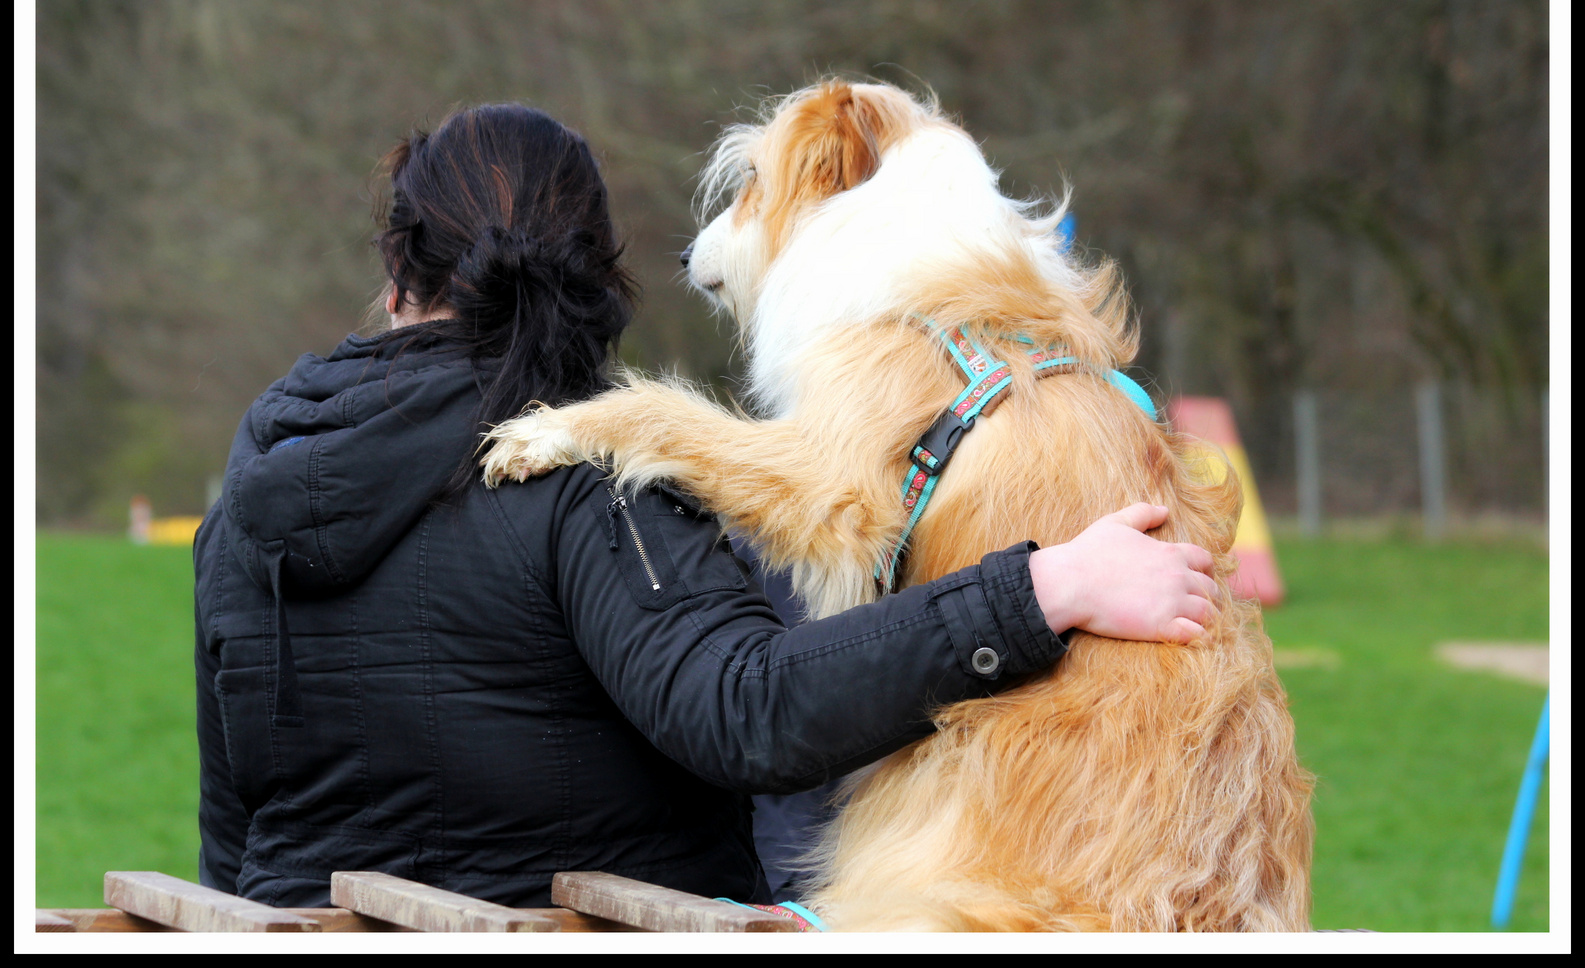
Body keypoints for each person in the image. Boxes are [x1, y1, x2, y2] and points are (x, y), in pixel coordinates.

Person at [194, 103, 1218, 908]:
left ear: (394, 274)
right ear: (598, 277)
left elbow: (232, 822)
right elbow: (748, 712)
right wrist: (1039, 589)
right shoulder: (587, 476)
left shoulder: (253, 489)